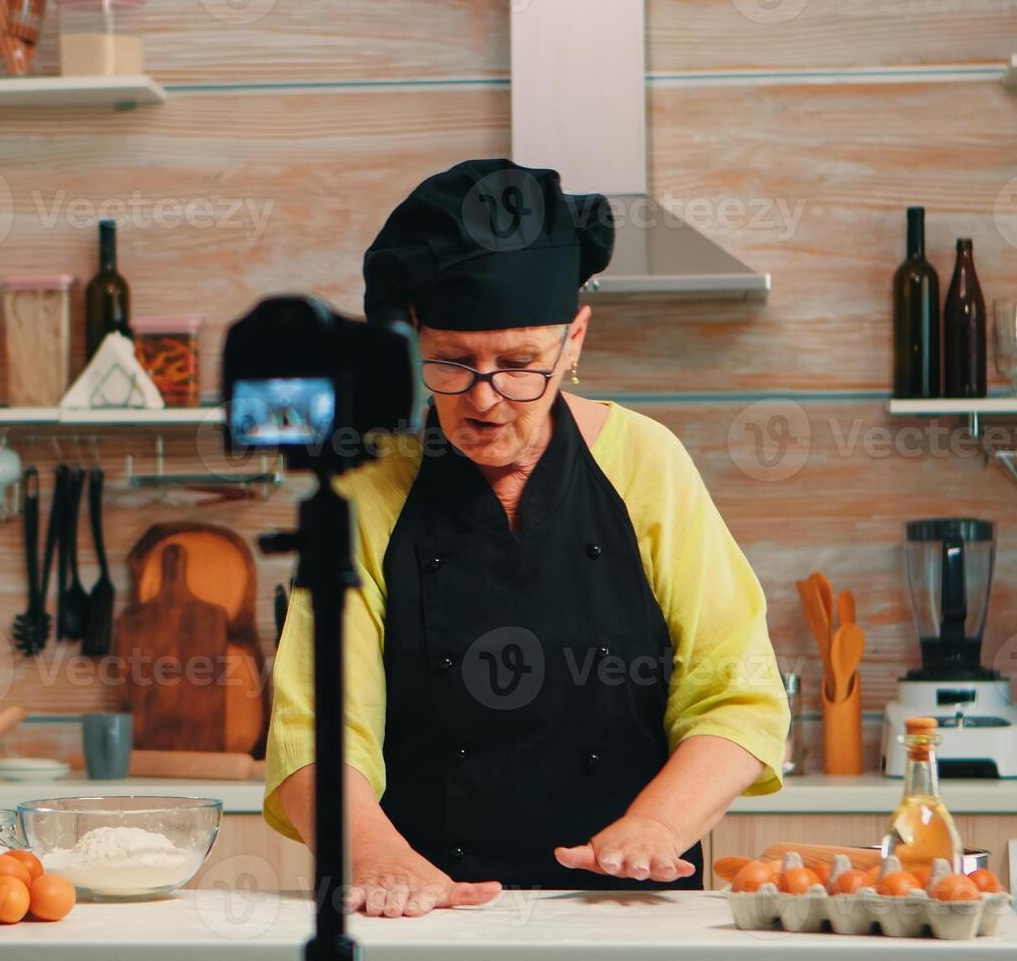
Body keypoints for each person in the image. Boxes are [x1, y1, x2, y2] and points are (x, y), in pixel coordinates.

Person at [262, 159, 790, 918]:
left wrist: (657, 824)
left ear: (573, 340)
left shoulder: (648, 462)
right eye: (452, 361)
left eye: (518, 365)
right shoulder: (365, 490)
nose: (484, 398)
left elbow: (737, 693)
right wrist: (376, 857)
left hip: (628, 913)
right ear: (416, 341)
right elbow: (316, 724)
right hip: (422, 910)